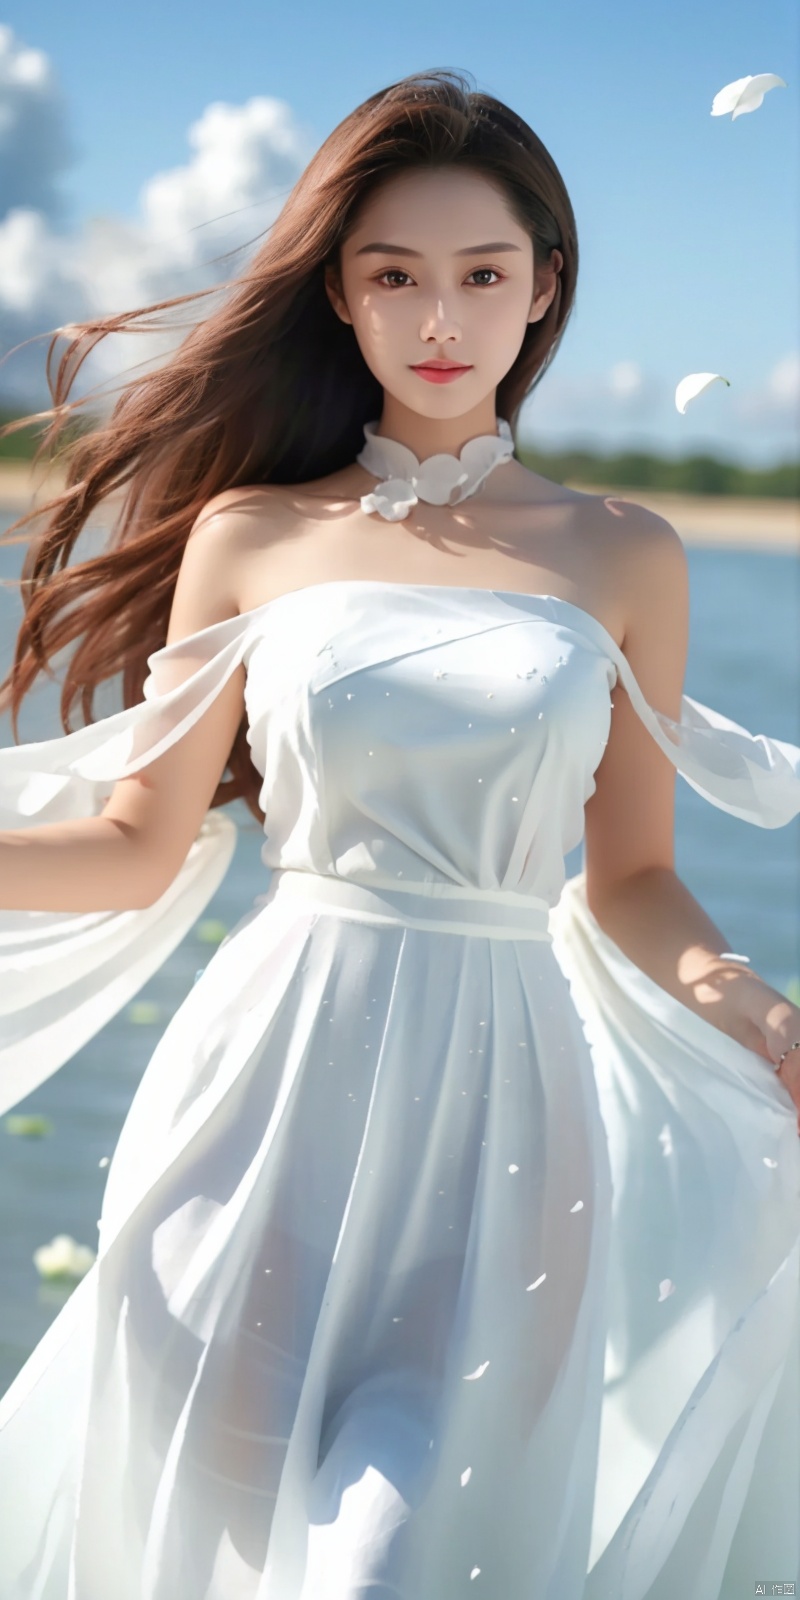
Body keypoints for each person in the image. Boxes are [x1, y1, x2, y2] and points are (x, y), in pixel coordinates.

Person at [0, 67, 798, 1600]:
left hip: (507, 1118)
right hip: (264, 1092)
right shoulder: (251, 536)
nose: (442, 317)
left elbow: (632, 878)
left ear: (544, 288)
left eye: (483, 274)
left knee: (387, 1562)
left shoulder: (628, 552)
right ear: (344, 301)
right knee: (226, 1550)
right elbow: (134, 843)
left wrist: (766, 1019)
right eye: (395, 275)